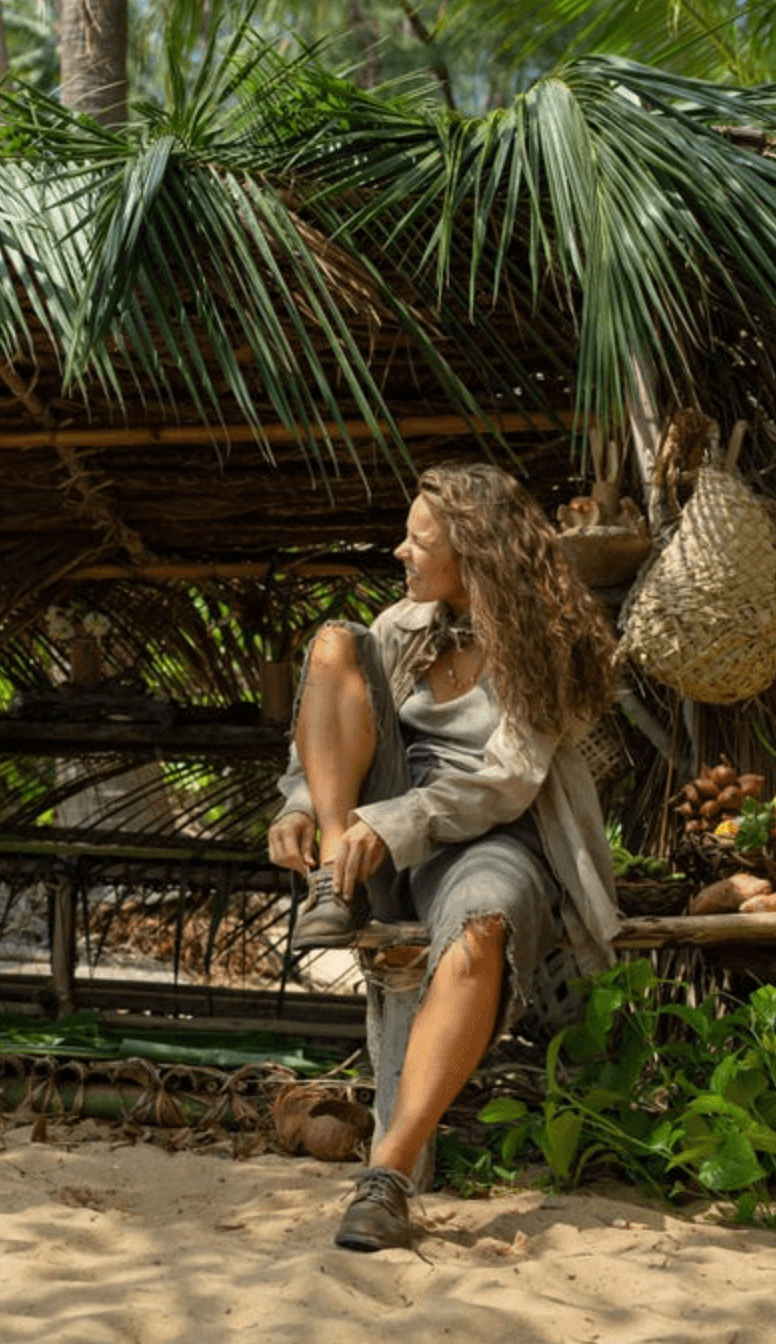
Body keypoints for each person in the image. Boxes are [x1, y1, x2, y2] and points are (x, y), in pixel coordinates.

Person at [266, 461, 619, 1253]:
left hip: (495, 838)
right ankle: (331, 878)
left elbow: (507, 784)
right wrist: (301, 808)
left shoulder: (544, 641)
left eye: (418, 541)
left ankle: (386, 1180)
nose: (401, 552)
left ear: (474, 549)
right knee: (334, 642)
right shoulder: (401, 627)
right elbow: (329, 740)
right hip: (377, 838)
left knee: (483, 921)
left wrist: (393, 824)